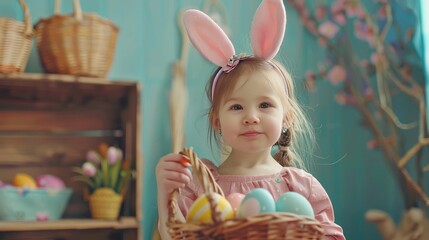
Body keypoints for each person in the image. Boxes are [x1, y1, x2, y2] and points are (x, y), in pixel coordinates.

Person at [156, 0, 345, 239]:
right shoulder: (202, 187)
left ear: (286, 118)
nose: (251, 117)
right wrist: (166, 195)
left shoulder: (300, 187)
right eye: (236, 107)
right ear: (217, 122)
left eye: (265, 105)